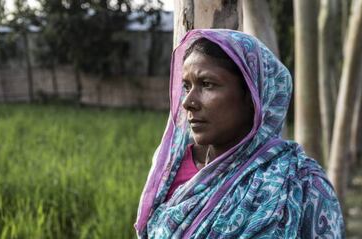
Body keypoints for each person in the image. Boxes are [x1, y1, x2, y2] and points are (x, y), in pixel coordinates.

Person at [135, 29, 345, 239]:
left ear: (253, 96)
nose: (187, 102)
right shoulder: (170, 170)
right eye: (186, 86)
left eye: (207, 84)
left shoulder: (302, 183)